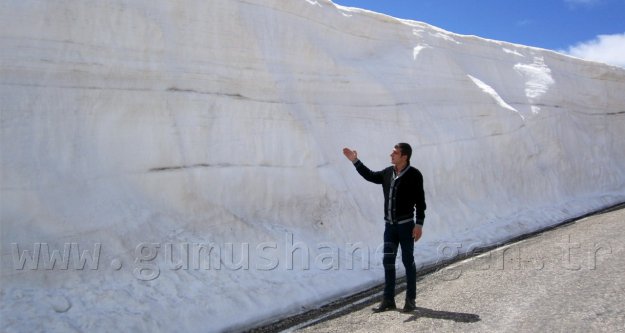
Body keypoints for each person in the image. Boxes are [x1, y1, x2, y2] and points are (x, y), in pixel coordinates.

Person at [343, 143, 426, 313]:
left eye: (395, 153)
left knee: (407, 261)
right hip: (390, 227)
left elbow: (420, 202)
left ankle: (410, 299)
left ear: (404, 156)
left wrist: (419, 224)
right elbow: (370, 176)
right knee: (388, 261)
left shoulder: (414, 175)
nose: (391, 155)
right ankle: (388, 299)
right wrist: (355, 161)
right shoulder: (388, 172)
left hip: (406, 227)